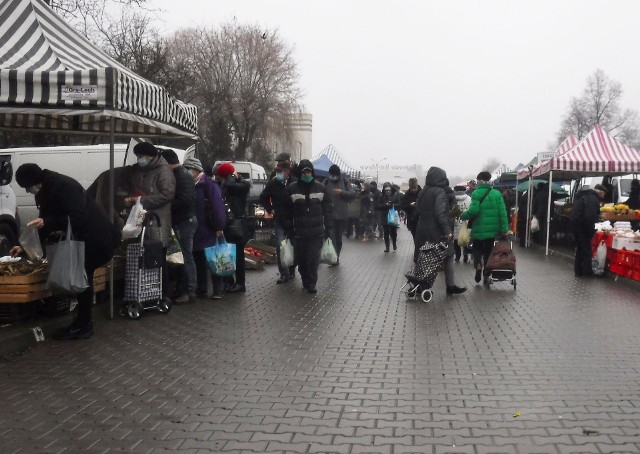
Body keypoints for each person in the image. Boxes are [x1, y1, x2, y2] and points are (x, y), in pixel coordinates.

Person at [12, 164, 121, 340]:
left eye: (27, 187)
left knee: (82, 278)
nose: (27, 191)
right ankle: (82, 321)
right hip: (87, 239)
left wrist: (48, 222)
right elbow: (45, 221)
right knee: (81, 279)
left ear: (35, 181)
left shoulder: (63, 186)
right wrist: (23, 245)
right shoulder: (46, 189)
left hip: (95, 239)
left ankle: (84, 324)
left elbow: (78, 217)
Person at [123, 142, 176, 303]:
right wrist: (131, 199)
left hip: (157, 222)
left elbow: (167, 194)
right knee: (143, 257)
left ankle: (162, 294)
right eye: (137, 157)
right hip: (141, 220)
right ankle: (146, 292)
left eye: (141, 156)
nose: (139, 159)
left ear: (150, 156)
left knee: (158, 258)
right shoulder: (139, 170)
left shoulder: (163, 170)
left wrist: (142, 200)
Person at [413, 167, 466, 295]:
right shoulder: (439, 192)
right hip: (437, 232)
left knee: (423, 258)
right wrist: (447, 231)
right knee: (447, 256)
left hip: (422, 230)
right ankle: (449, 286)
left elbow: (418, 211)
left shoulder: (423, 192)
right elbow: (440, 213)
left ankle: (418, 283)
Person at [287, 160, 332, 294]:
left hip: (316, 233)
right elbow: (287, 211)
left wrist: (328, 228)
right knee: (302, 261)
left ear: (312, 172)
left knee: (312, 260)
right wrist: (289, 229)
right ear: (300, 173)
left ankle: (311, 283)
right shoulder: (292, 189)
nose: (307, 174)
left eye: (309, 171)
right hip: (299, 233)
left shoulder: (321, 188)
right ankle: (305, 280)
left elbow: (328, 210)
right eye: (304, 172)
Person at [185, 157, 227, 299]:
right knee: (198, 259)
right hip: (196, 228)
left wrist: (219, 226)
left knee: (214, 259)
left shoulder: (209, 185)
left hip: (209, 227)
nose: (187, 172)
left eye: (188, 169)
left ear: (196, 170)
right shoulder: (190, 184)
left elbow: (217, 207)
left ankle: (218, 289)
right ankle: (201, 289)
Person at [161, 149, 198, 304]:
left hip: (184, 221)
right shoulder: (182, 175)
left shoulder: (182, 176)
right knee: (182, 256)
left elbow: (184, 200)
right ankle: (185, 289)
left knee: (185, 257)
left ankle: (189, 291)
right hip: (184, 221)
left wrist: (166, 206)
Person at [461, 171, 509, 283]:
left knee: (477, 249)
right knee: (488, 251)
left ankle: (478, 265)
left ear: (479, 181)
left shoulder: (476, 193)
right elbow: (503, 213)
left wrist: (463, 215)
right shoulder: (497, 194)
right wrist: (504, 230)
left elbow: (474, 210)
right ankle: (486, 274)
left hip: (478, 228)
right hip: (492, 230)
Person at [259, 161, 296, 284]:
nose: (278, 173)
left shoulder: (294, 183)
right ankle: (284, 273)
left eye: (281, 171)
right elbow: (263, 197)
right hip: (279, 219)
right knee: (280, 246)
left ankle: (291, 269)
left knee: (292, 246)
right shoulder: (273, 184)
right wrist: (270, 209)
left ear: (287, 172)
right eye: (277, 171)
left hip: (292, 219)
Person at [216, 162, 250, 293]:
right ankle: (230, 282)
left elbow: (231, 186)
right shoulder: (229, 185)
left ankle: (240, 283)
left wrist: (230, 176)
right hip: (229, 224)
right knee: (228, 254)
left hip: (237, 224)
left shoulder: (239, 185)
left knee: (238, 256)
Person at [570, 184, 607, 277]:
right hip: (583, 227)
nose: (604, 197)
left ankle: (578, 271)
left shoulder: (584, 195)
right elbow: (590, 216)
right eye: (604, 194)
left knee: (579, 249)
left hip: (575, 225)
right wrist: (591, 230)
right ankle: (587, 272)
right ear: (601, 192)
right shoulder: (592, 199)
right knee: (586, 250)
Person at [324, 164, 355, 264]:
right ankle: (332, 257)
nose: (332, 177)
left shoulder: (345, 181)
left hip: (341, 215)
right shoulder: (326, 181)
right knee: (331, 235)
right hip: (328, 214)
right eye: (331, 175)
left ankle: (336, 256)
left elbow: (352, 194)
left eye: (334, 175)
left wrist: (341, 192)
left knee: (338, 237)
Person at [376, 182, 401, 253]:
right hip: (384, 216)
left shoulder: (395, 195)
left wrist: (393, 205)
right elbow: (378, 206)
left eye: (389, 190)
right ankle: (387, 247)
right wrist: (385, 205)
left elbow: (399, 205)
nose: (388, 191)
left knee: (393, 232)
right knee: (386, 232)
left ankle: (394, 243)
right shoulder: (381, 196)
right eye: (386, 190)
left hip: (393, 216)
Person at [452, 185, 472, 262]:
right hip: (466, 221)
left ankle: (457, 256)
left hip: (455, 222)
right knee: (465, 238)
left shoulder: (452, 199)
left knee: (456, 240)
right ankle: (466, 253)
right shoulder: (469, 199)